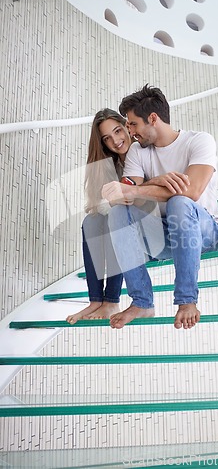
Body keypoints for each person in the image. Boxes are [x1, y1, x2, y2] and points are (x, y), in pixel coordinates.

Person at [101, 85, 218, 330]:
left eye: (133, 124)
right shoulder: (138, 152)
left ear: (153, 119)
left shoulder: (199, 141)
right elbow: (122, 197)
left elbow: (192, 191)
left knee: (180, 202)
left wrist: (137, 189)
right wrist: (155, 181)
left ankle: (187, 300)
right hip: (164, 236)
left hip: (205, 234)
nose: (129, 131)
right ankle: (142, 301)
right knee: (117, 213)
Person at [66, 109, 133, 324]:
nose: (116, 140)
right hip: (122, 219)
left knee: (116, 218)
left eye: (118, 131)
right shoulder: (109, 165)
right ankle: (96, 299)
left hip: (145, 222)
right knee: (91, 221)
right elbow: (98, 205)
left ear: (126, 127)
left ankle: (111, 300)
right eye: (107, 138)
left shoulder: (143, 152)